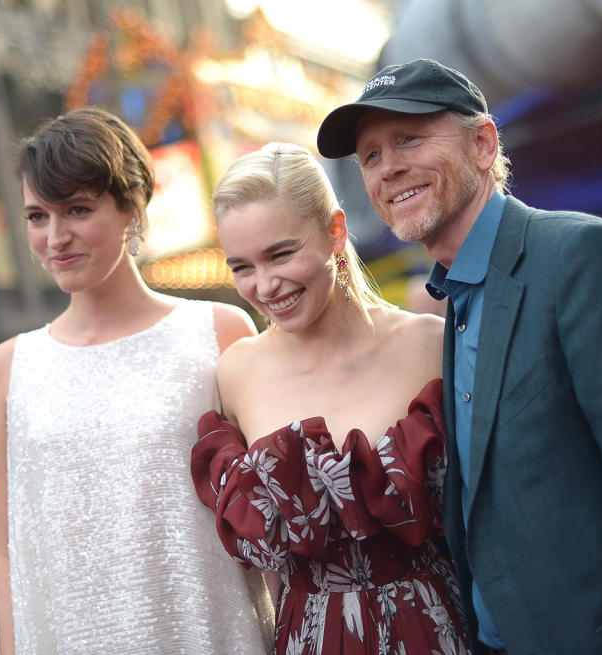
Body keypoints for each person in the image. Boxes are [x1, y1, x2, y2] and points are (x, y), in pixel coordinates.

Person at [316, 58, 602, 654]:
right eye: (371, 156)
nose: (389, 168)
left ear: (484, 144)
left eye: (408, 138)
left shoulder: (583, 257)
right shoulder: (455, 304)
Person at [0, 107, 272, 655]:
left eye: (77, 209)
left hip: (208, 630)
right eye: (36, 216)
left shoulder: (218, 332)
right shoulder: (10, 366)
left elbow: (264, 508)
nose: (55, 237)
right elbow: (9, 550)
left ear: (132, 205)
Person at [191, 142, 470, 654]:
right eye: (242, 267)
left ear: (335, 231)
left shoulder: (428, 343)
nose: (265, 285)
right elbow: (265, 566)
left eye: (280, 253)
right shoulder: (236, 373)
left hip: (436, 628)